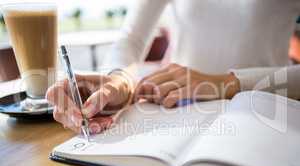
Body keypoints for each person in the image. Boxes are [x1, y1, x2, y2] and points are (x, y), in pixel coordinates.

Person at [46, 0, 300, 134]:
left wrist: (229, 83)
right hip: (178, 113)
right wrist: (120, 78)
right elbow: (132, 38)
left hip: (268, 112)